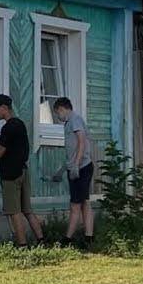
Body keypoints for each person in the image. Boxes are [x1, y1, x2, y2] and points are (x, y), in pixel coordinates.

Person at [0, 94, 46, 248]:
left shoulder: (7, 127)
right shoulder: (20, 124)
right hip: (23, 171)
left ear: (4, 108)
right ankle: (41, 241)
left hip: (11, 175)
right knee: (27, 210)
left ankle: (22, 245)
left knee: (14, 212)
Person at [53, 97, 95, 248]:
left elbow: (82, 142)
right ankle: (89, 237)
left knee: (75, 205)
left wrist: (76, 165)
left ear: (62, 108)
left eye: (57, 112)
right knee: (84, 203)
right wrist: (62, 170)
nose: (58, 116)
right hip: (77, 167)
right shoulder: (68, 123)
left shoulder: (75, 119)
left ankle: (67, 239)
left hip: (82, 167)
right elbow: (71, 150)